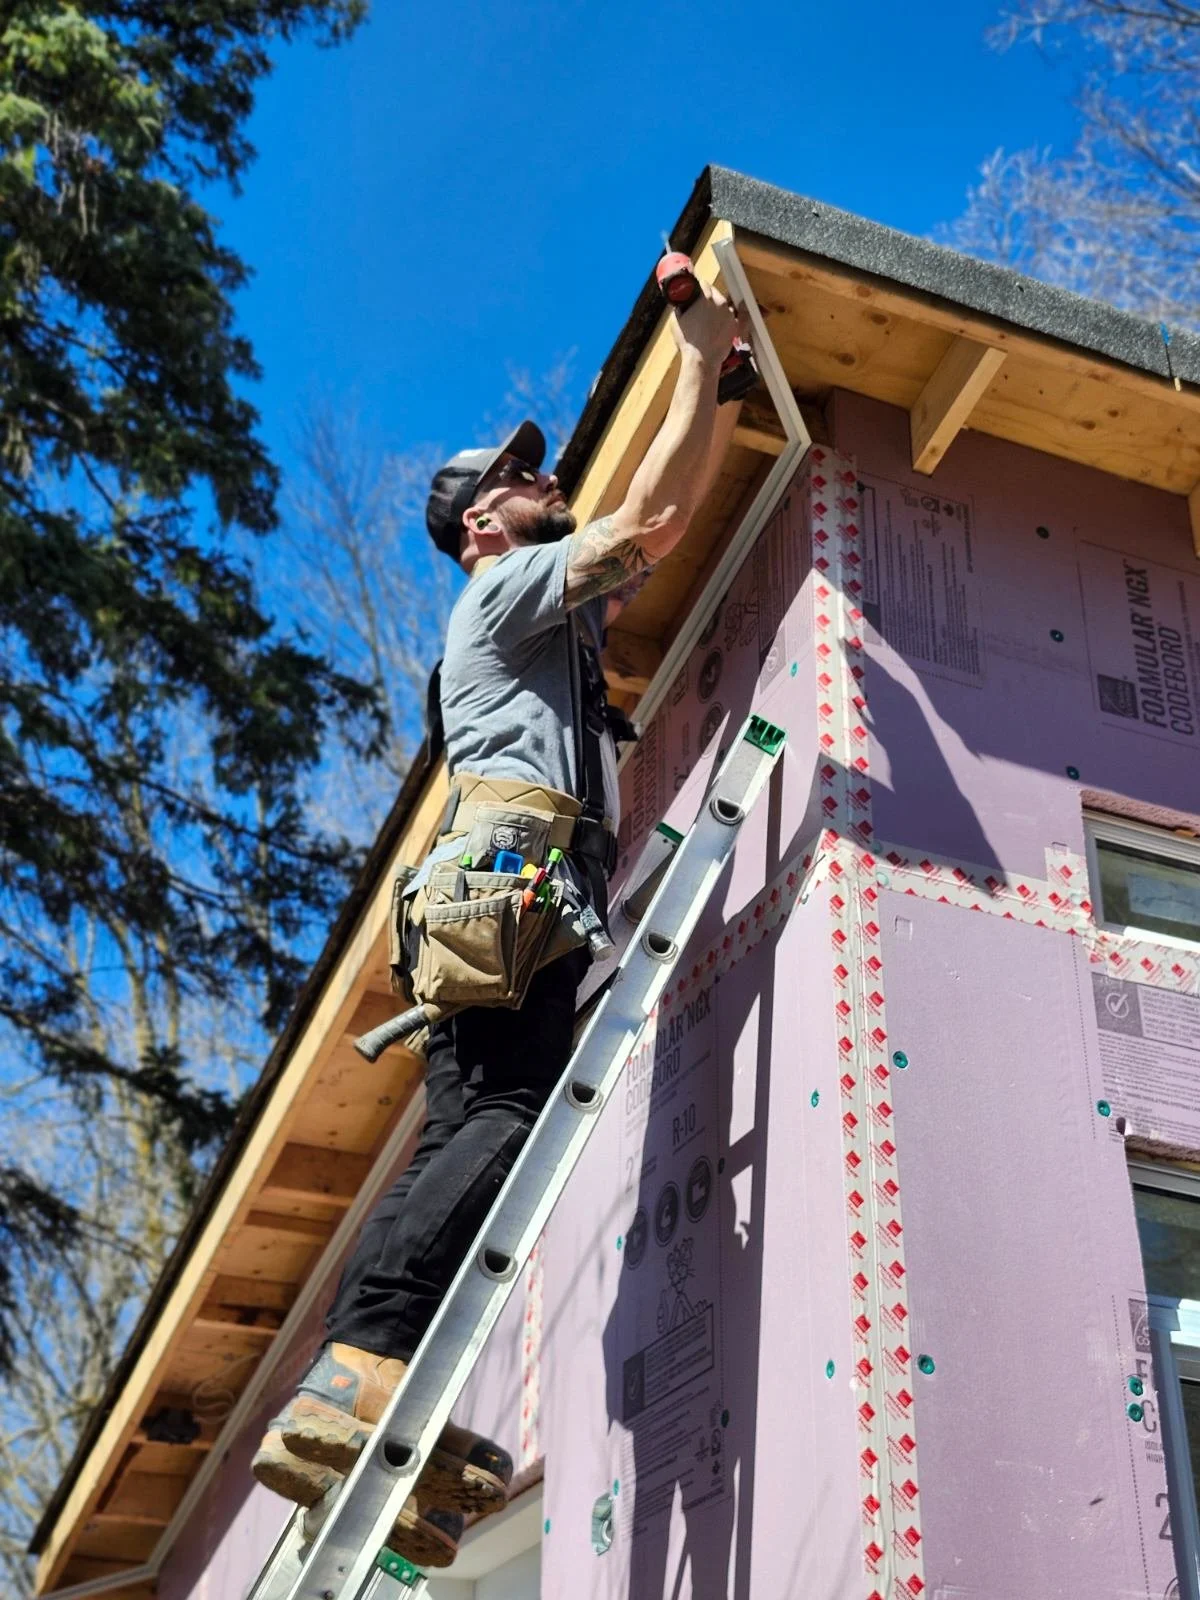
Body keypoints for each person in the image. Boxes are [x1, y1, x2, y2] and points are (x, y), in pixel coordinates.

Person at [252, 278, 744, 1567]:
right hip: (508, 876)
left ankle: (373, 1394)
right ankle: (356, 1363)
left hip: (519, 883)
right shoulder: (506, 589)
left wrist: (713, 383)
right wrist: (695, 349)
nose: (548, 480)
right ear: (484, 523)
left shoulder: (547, 619)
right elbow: (653, 516)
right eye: (525, 479)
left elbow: (663, 493)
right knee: (496, 1120)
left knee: (488, 1125)